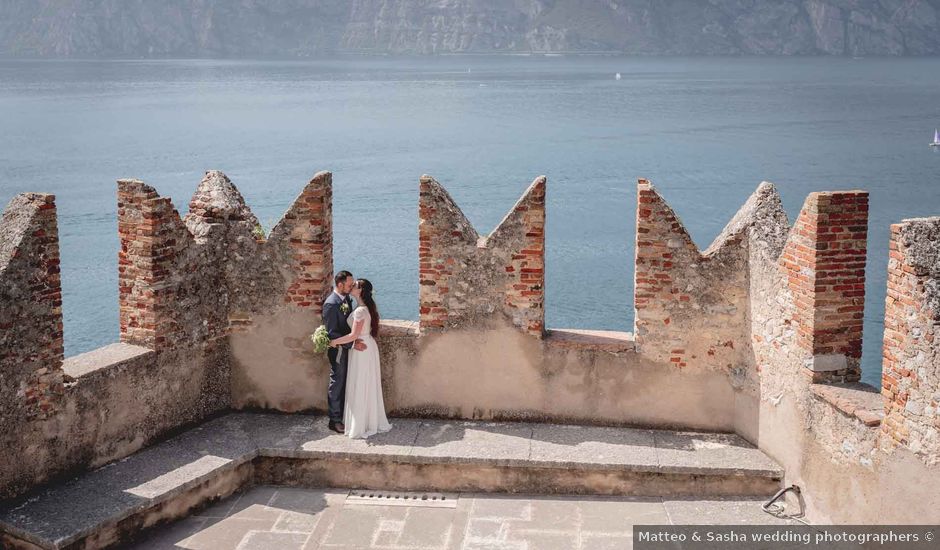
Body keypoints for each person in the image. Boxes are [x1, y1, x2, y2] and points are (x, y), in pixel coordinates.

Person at [330, 278, 392, 439]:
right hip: (367, 346)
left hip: (361, 348)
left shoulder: (359, 311)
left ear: (361, 291)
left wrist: (333, 341)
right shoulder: (365, 308)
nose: (352, 286)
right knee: (366, 383)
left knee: (360, 383)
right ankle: (367, 421)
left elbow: (353, 335)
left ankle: (360, 424)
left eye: (355, 285)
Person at [321, 270, 366, 434]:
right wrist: (353, 344)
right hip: (339, 350)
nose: (352, 286)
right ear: (339, 285)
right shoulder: (331, 304)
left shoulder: (346, 297)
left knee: (347, 382)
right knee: (337, 383)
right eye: (349, 284)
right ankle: (334, 421)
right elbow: (332, 334)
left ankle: (345, 416)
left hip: (347, 345)